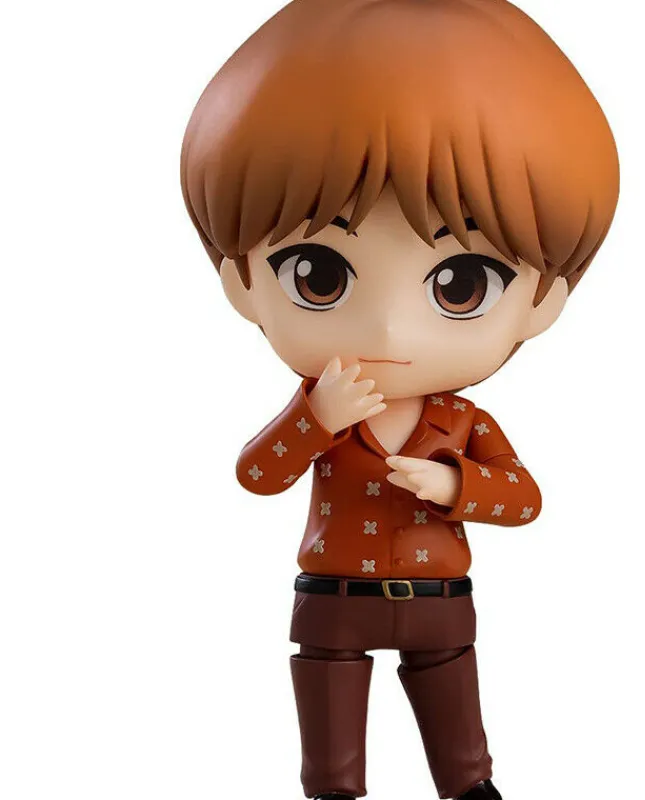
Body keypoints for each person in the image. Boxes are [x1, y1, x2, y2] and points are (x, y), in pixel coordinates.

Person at [180, 1, 619, 797]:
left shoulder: (462, 421)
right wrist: (316, 420)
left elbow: (524, 499)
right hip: (332, 603)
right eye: (318, 275)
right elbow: (257, 474)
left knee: (456, 719)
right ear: (241, 279)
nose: (387, 326)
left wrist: (457, 485)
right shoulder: (320, 405)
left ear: (544, 300)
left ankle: (468, 785)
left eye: (460, 284)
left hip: (439, 603)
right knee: (329, 720)